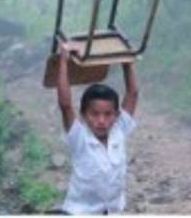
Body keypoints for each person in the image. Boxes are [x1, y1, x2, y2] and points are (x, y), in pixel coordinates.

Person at [55, 41, 138, 214]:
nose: (101, 120)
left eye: (108, 114)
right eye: (94, 114)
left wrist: (127, 61)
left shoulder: (119, 130)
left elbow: (133, 93)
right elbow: (65, 105)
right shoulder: (79, 137)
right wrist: (63, 61)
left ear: (117, 115)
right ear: (83, 115)